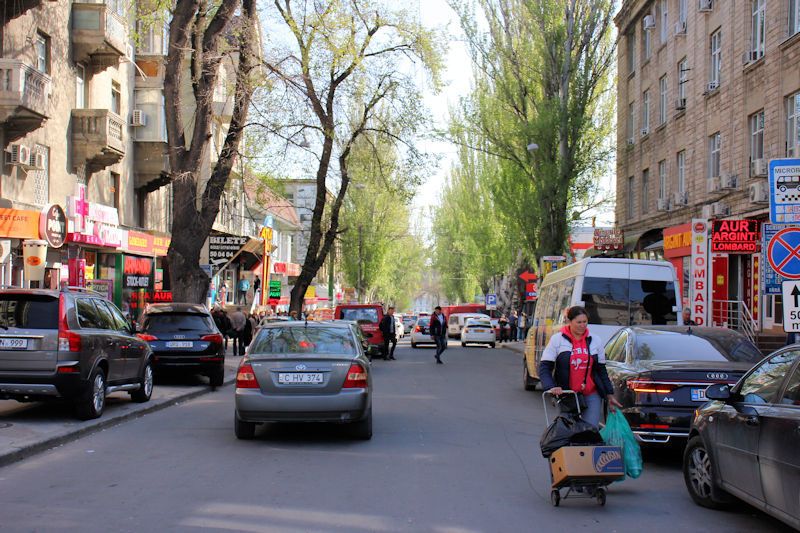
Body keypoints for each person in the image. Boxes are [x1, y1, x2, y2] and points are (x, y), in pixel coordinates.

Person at [538, 305, 622, 428]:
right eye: (579, 322)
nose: (582, 325)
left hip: (591, 393)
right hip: (567, 394)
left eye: (585, 322)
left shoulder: (595, 340)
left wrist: (609, 394)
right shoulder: (558, 340)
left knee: (590, 430)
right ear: (569, 321)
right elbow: (545, 367)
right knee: (568, 431)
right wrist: (551, 387)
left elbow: (601, 370)